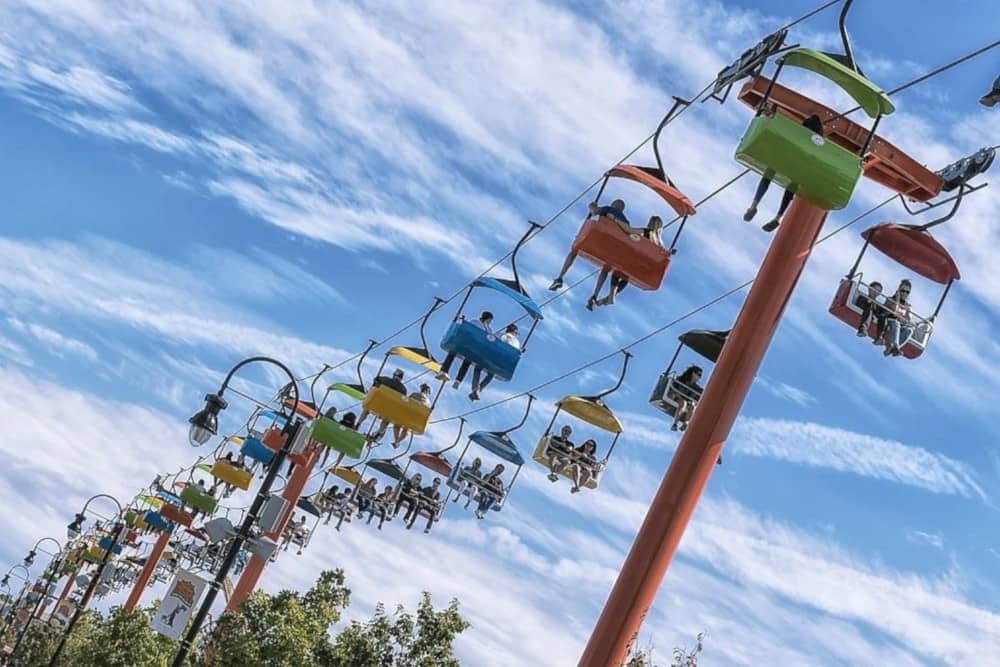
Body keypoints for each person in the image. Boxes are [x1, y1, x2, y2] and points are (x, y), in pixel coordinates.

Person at [744, 114, 825, 232]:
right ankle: (778, 217)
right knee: (792, 187)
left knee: (769, 173)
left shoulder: (798, 133)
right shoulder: (817, 141)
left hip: (788, 157)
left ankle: (754, 206)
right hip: (800, 165)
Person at [549, 199, 643, 291]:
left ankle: (560, 277)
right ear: (622, 209)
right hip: (611, 248)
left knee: (574, 250)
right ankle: (595, 295)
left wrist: (592, 206)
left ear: (614, 205)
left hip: (598, 238)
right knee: (606, 268)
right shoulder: (626, 222)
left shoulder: (609, 209)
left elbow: (595, 212)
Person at [591, 215, 666, 309]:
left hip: (634, 260)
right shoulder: (660, 243)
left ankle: (612, 295)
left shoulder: (647, 231)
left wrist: (616, 220)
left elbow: (630, 231)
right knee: (627, 276)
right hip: (642, 267)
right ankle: (610, 297)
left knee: (618, 267)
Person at [437, 311, 494, 385]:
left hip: (475, 347)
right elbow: (467, 329)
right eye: (490, 320)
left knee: (467, 362)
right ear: (488, 319)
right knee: (452, 353)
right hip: (467, 342)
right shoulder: (475, 322)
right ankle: (443, 371)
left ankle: (458, 380)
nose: (490, 322)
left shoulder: (488, 329)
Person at [468, 324, 520, 401]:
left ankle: (475, 388)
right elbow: (516, 352)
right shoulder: (516, 342)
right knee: (491, 374)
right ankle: (478, 390)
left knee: (478, 368)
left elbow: (491, 340)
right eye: (517, 333)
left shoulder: (500, 334)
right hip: (502, 361)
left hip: (492, 355)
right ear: (514, 331)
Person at [358, 369, 407, 442]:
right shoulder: (403, 389)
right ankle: (379, 433)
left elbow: (375, 382)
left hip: (376, 404)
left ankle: (358, 424)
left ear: (394, 375)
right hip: (388, 409)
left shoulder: (384, 379)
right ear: (401, 378)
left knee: (367, 408)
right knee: (386, 420)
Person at [882, 279, 914, 357]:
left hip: (899, 325)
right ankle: (894, 347)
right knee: (895, 322)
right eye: (903, 291)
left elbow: (908, 319)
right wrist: (897, 299)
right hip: (888, 322)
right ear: (898, 290)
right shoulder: (890, 299)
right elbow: (893, 311)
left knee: (909, 330)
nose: (904, 293)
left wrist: (907, 311)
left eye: (907, 292)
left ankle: (892, 348)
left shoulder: (908, 306)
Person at [669, 365, 704, 431]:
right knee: (683, 403)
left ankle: (686, 423)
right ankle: (675, 423)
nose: (699, 377)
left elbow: (700, 395)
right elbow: (673, 388)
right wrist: (677, 395)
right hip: (676, 397)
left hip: (687, 402)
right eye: (698, 374)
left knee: (692, 406)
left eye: (700, 376)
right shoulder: (681, 379)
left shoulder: (697, 388)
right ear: (693, 373)